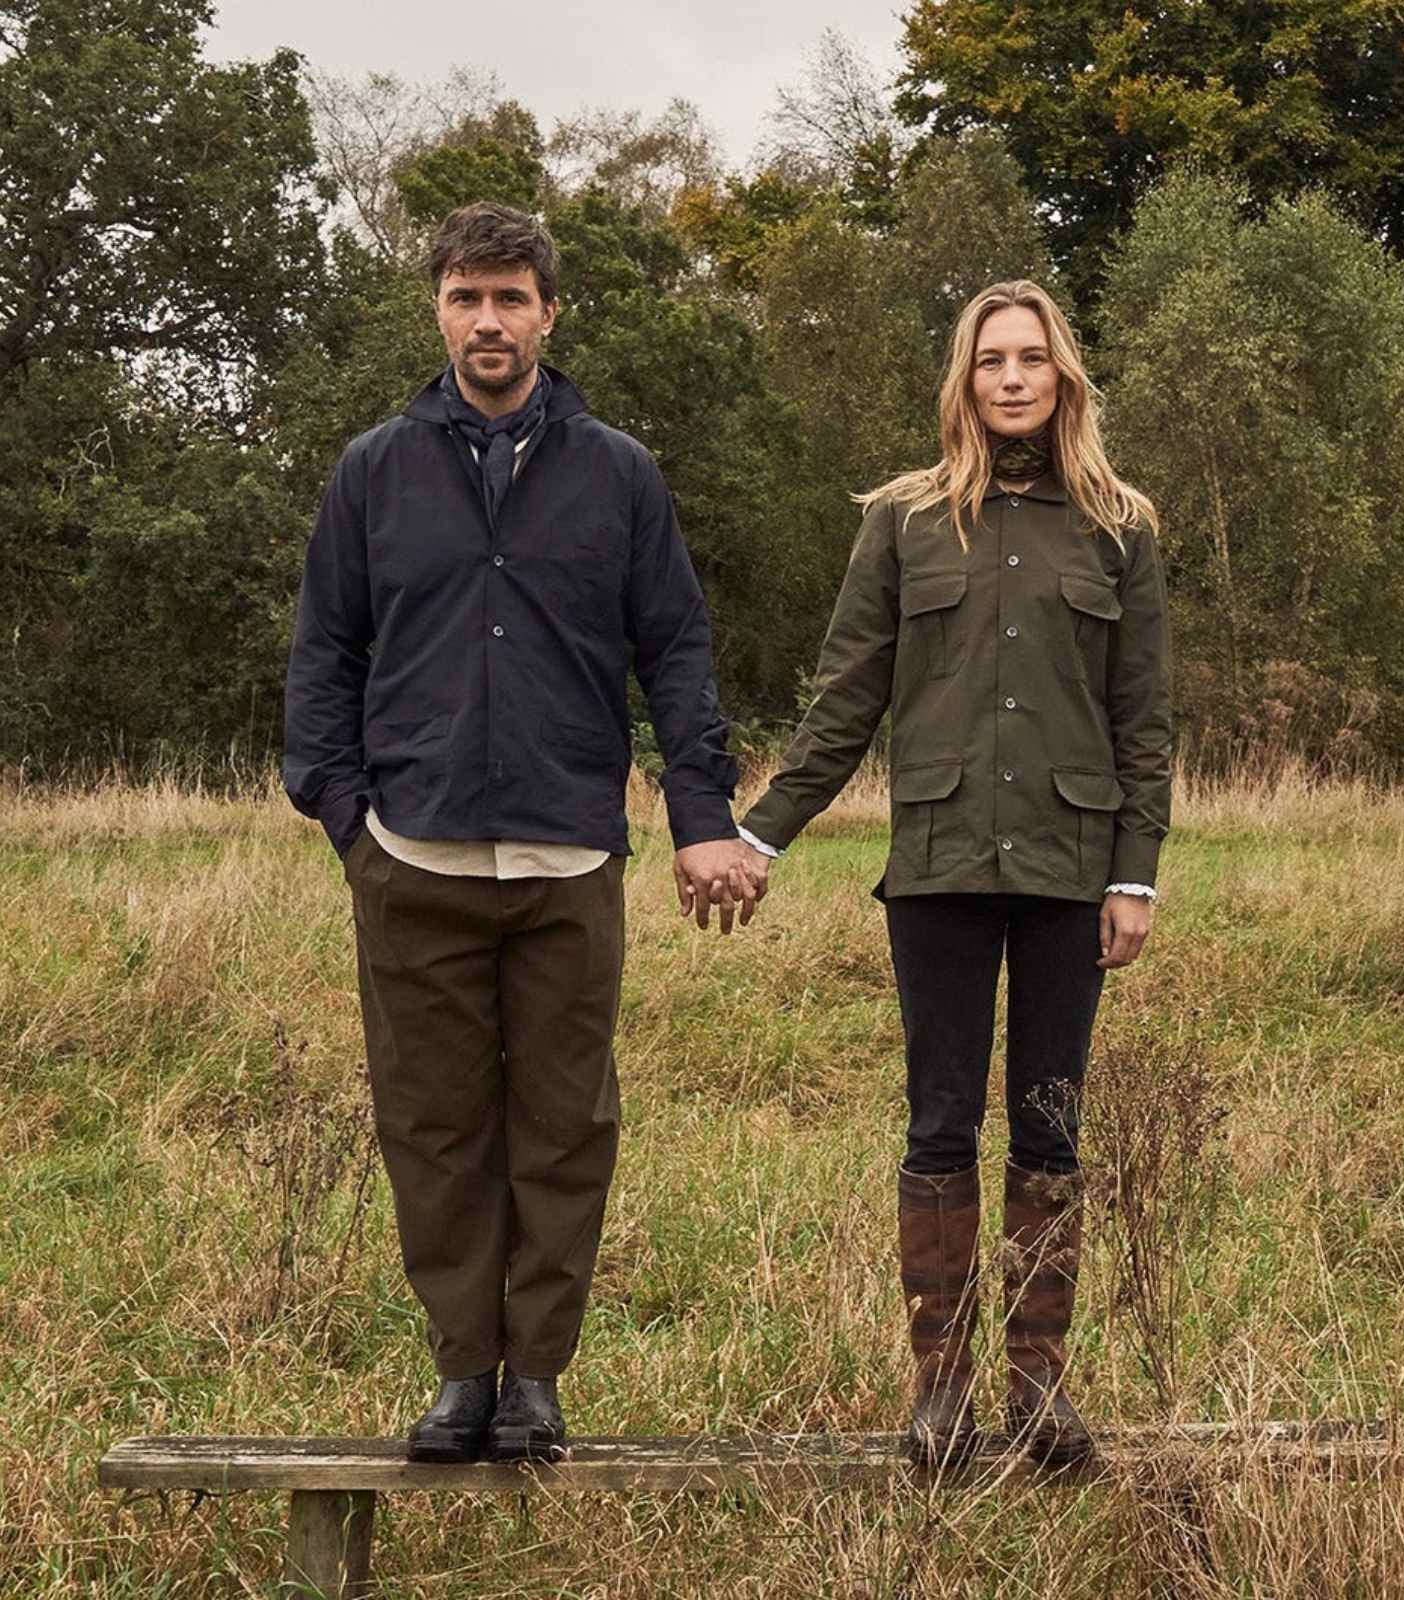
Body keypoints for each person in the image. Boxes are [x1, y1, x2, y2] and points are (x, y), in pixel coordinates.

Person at [283, 202, 760, 1463]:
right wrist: (347, 818)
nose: (486, 319)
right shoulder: (374, 469)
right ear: (437, 308)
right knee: (433, 1123)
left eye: (509, 297)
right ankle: (460, 1372)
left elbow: (676, 652)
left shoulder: (618, 473)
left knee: (562, 1124)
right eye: (463, 296)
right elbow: (324, 651)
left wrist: (698, 817)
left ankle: (536, 1375)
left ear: (549, 312)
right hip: (414, 852)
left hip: (567, 855)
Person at [735, 280, 1171, 1468]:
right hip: (934, 865)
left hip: (1069, 870)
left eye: (1033, 358)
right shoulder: (902, 520)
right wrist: (761, 833)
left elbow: (1143, 722)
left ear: (1063, 377)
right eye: (992, 361)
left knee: (1048, 1128)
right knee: (938, 1125)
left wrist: (1134, 876)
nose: (1013, 378)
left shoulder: (1119, 526)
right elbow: (842, 700)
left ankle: (1037, 1392)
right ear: (964, 380)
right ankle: (942, 1393)